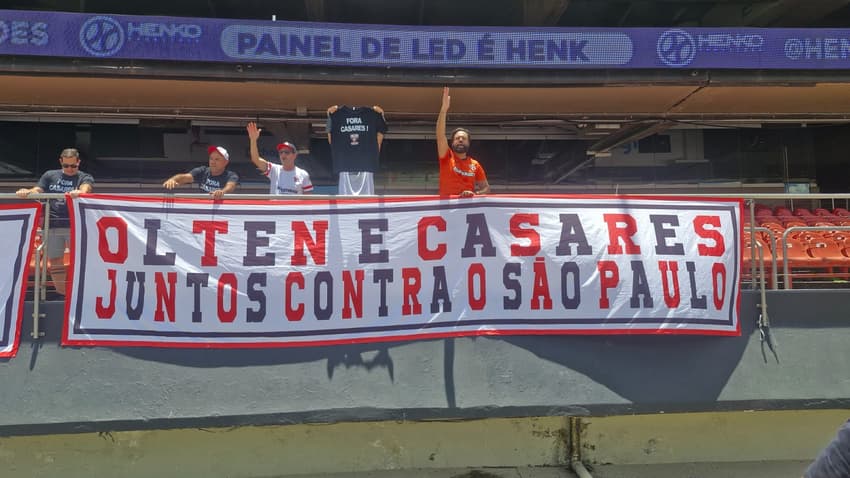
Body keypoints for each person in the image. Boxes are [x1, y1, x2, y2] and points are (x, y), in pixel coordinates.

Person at [16, 148, 94, 296]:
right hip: (52, 225)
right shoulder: (50, 175)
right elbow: (38, 189)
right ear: (60, 162)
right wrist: (27, 191)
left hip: (75, 225)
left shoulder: (84, 176)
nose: (70, 169)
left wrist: (80, 192)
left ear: (78, 162)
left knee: (81, 258)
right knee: (55, 259)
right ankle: (62, 293)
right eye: (66, 166)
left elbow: (86, 187)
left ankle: (80, 293)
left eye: (73, 166)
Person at [436, 86, 490, 197]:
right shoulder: (446, 157)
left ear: (469, 143)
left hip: (467, 207)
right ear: (452, 143)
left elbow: (486, 188)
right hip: (447, 206)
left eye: (464, 138)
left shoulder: (475, 165)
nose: (460, 140)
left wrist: (474, 194)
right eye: (457, 138)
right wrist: (443, 109)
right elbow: (440, 135)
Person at [326, 104, 387, 195]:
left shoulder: (372, 115)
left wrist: (381, 115)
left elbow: (380, 135)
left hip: (357, 167)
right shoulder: (337, 115)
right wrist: (329, 116)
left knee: (364, 202)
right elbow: (332, 140)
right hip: (354, 167)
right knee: (349, 202)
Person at [246, 122, 313, 195]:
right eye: (281, 152)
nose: (283, 154)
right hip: (276, 203)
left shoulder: (303, 174)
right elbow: (256, 159)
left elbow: (308, 198)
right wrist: (253, 140)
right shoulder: (274, 169)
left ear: (294, 155)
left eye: (287, 152)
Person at [162, 145, 239, 199]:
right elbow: (185, 177)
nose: (213, 162)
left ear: (226, 162)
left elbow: (230, 186)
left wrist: (222, 192)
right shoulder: (202, 170)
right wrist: (173, 180)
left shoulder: (231, 175)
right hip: (203, 208)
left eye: (217, 159)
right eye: (211, 158)